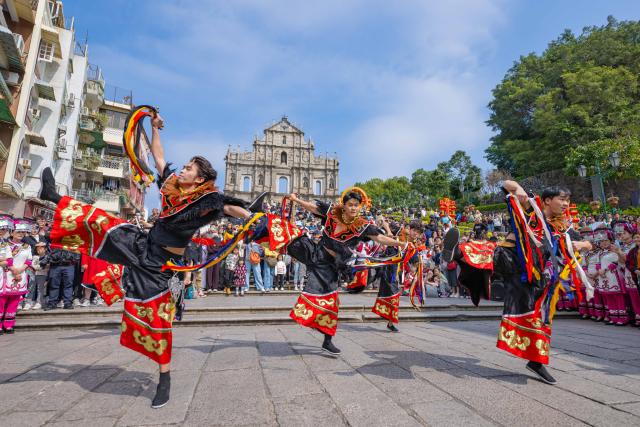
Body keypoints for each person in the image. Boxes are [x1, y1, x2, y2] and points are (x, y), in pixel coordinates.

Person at [37, 110, 261, 408]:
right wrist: (155, 128)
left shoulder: (209, 201)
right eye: (184, 165)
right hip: (142, 244)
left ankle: (164, 378)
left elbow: (232, 209)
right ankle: (54, 196)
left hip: (161, 265)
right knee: (106, 224)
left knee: (158, 321)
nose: (183, 169)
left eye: (189, 168)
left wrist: (252, 217)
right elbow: (158, 156)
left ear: (202, 177)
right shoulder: (171, 187)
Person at [482, 182, 591, 384]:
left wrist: (581, 244)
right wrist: (520, 191)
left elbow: (588, 243)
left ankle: (536, 361)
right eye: (562, 199)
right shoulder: (533, 210)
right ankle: (459, 254)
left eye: (568, 200)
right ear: (548, 200)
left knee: (539, 318)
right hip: (513, 262)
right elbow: (507, 184)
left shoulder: (563, 226)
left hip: (540, 278)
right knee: (480, 254)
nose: (566, 203)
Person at [275, 188, 407, 355]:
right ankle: (252, 219)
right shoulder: (332, 212)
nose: (353, 208)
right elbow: (314, 208)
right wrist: (296, 200)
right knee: (287, 235)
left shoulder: (362, 226)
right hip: (315, 251)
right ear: (344, 205)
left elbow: (379, 238)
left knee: (330, 301)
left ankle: (327, 340)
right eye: (350, 205)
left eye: (356, 205)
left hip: (329, 266)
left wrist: (401, 244)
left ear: (360, 207)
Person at [0, 218, 34, 333]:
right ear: (12, 232)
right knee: (2, 300)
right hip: (6, 274)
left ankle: (9, 324)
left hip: (21, 274)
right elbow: (7, 260)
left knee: (15, 300)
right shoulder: (4, 244)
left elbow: (29, 261)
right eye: (18, 231)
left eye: (23, 232)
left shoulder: (27, 246)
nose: (21, 234)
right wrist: (14, 270)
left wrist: (20, 270)